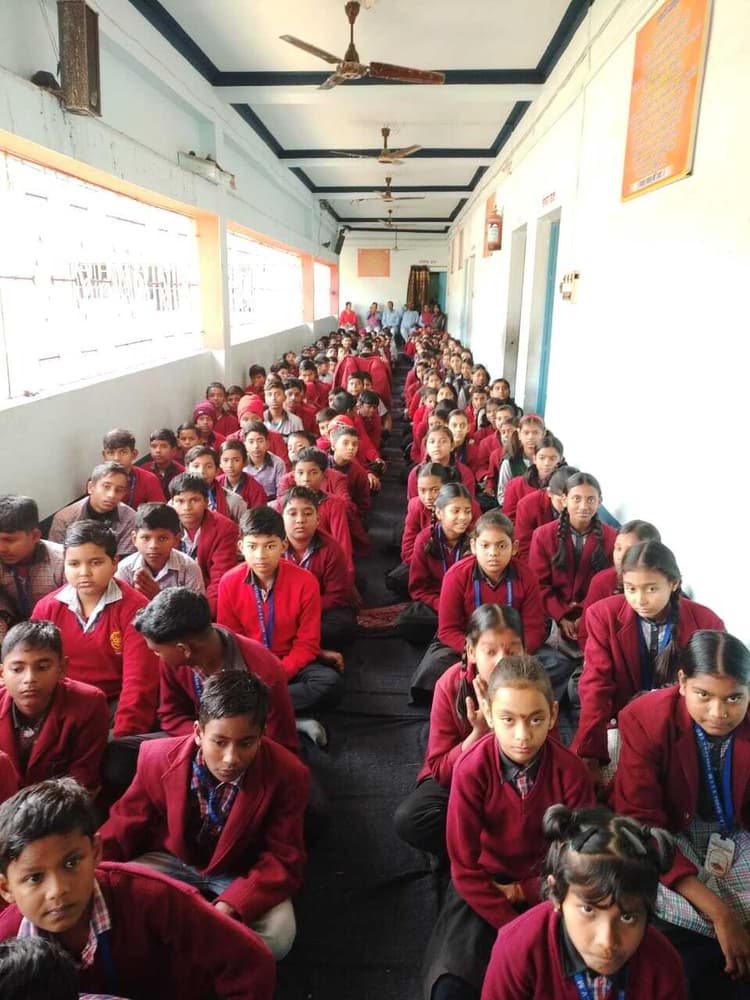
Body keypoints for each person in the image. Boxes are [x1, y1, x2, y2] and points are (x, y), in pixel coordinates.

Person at [0, 778, 276, 999]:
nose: (58, 890)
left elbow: (249, 962)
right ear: (6, 888)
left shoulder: (150, 897)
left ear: (95, 851)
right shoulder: (5, 943)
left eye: (71, 863)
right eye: (34, 878)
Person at [99, 671, 307, 960]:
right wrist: (93, 869)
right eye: (219, 742)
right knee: (112, 896)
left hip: (241, 869)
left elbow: (283, 858)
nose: (231, 758)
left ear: (262, 736)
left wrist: (232, 904)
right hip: (172, 859)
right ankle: (208, 953)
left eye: (246, 743)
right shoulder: (156, 758)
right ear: (198, 732)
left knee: (279, 936)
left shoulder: (288, 774)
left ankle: (181, 954)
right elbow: (124, 824)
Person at [423, 656, 594, 1000]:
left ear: (553, 715)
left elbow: (581, 858)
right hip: (486, 886)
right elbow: (465, 867)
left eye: (535, 719)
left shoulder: (571, 772)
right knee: (451, 987)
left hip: (552, 886)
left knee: (571, 974)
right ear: (488, 715)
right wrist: (512, 927)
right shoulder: (471, 769)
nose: (522, 735)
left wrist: (525, 891)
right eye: (508, 719)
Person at [615, 630, 750, 996]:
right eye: (703, 695)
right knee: (648, 903)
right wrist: (721, 914)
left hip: (736, 831)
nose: (719, 713)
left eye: (734, 698)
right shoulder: (645, 720)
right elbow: (642, 826)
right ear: (682, 683)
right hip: (667, 835)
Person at [481, 804, 686, 999]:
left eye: (627, 917)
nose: (607, 942)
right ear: (557, 893)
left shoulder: (663, 966)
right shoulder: (517, 950)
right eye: (588, 909)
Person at [573, 541, 725, 785]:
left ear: (673, 584)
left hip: (683, 720)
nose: (640, 599)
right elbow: (595, 685)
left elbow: (712, 687)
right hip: (622, 718)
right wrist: (590, 751)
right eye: (631, 589)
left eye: (651, 589)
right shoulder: (603, 615)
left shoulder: (706, 621)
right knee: (608, 783)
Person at [394, 605, 524, 858]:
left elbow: (549, 759)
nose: (502, 662)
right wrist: (479, 734)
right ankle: (491, 851)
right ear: (471, 652)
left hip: (518, 779)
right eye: (490, 651)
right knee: (412, 819)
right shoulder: (450, 684)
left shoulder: (533, 684)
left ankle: (483, 848)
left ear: (525, 651)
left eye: (512, 651)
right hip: (464, 779)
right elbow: (440, 771)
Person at [217, 507, 343, 737]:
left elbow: (307, 644)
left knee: (329, 683)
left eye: (270, 546)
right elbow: (231, 640)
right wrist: (253, 674)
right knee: (221, 685)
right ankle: (291, 720)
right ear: (240, 547)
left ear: (283, 545)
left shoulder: (305, 582)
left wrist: (278, 673)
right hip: (249, 667)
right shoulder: (229, 582)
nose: (260, 555)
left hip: (290, 663)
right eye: (252, 546)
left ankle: (255, 713)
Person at [31, 521, 158, 738]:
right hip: (62, 700)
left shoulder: (136, 609)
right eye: (74, 564)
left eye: (96, 562)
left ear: (114, 562)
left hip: (112, 703)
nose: (84, 573)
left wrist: (123, 737)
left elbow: (138, 682)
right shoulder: (47, 608)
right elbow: (33, 669)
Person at [134, 587, 297, 754]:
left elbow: (281, 744)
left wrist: (218, 745)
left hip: (242, 754)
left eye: (157, 651)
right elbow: (171, 715)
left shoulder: (264, 669)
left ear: (183, 649)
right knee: (127, 753)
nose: (156, 656)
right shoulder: (175, 660)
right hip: (195, 740)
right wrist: (206, 739)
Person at [411, 511, 546, 701]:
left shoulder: (526, 575)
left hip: (512, 648)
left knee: (555, 665)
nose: (493, 553)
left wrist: (515, 653)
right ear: (474, 546)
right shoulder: (456, 575)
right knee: (436, 667)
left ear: (514, 547)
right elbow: (448, 630)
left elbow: (534, 628)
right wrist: (480, 653)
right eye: (485, 545)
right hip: (467, 646)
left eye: (501, 545)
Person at [0, 621, 108, 796]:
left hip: (58, 806)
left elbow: (83, 779)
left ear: (62, 668)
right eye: (18, 669)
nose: (29, 678)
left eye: (42, 667)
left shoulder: (89, 703)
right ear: (2, 673)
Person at [529, 472, 617, 657]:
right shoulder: (543, 535)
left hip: (593, 612)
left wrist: (583, 615)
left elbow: (608, 585)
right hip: (552, 614)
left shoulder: (612, 537)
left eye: (591, 499)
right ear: (564, 500)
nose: (584, 506)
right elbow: (538, 584)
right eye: (576, 499)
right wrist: (561, 616)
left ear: (600, 501)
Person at [280, 487, 357, 649]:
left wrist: (302, 610)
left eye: (307, 514)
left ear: (318, 519)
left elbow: (335, 596)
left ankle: (291, 642)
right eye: (292, 514)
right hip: (280, 607)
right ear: (282, 518)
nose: (300, 520)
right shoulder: (273, 546)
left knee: (342, 626)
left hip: (318, 608)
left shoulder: (332, 549)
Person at [168, 473, 238, 616]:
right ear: (172, 503)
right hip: (169, 595)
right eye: (180, 501)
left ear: (206, 501)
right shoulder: (164, 525)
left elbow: (220, 578)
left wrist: (203, 614)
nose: (187, 507)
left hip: (205, 597)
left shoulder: (225, 528)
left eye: (194, 500)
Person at [578, 519, 662, 639]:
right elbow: (585, 632)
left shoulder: (664, 585)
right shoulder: (602, 581)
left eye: (631, 550)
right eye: (618, 548)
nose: (620, 556)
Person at [406, 484, 474, 628]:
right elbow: (419, 588)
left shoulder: (476, 541)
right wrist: (442, 605)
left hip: (467, 604)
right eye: (455, 511)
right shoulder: (424, 539)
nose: (463, 517)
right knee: (408, 623)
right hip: (437, 601)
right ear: (439, 512)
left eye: (467, 511)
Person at [0, 496, 64, 640]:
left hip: (55, 631)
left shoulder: (64, 562)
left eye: (9, 540)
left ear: (35, 536)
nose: (1, 548)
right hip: (13, 630)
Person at [115, 502, 205, 598]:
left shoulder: (188, 568)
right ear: (134, 539)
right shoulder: (124, 569)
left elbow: (197, 607)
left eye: (162, 538)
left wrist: (158, 596)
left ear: (176, 540)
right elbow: (118, 606)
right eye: (146, 538)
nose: (153, 546)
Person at [49, 463, 136, 557]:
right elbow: (57, 558)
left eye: (119, 490)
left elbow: (124, 560)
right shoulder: (64, 518)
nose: (111, 495)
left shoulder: (130, 518)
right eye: (106, 487)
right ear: (91, 487)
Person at [514, 465, 576, 563]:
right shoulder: (527, 505)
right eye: (561, 500)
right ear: (549, 492)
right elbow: (523, 548)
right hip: (539, 561)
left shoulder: (586, 506)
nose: (567, 506)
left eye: (575, 500)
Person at [502, 432, 564, 522]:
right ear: (534, 459)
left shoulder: (566, 485)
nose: (547, 463)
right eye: (542, 458)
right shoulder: (515, 485)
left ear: (560, 460)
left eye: (552, 458)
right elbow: (508, 519)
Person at [100, 429, 163, 508]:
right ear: (104, 455)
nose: (116, 458)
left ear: (134, 454)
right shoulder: (97, 479)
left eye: (123, 452)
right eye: (111, 453)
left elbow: (161, 512)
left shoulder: (149, 479)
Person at [185, 445, 247, 524]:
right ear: (187, 469)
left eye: (208, 466)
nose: (201, 471)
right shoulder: (177, 500)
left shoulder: (234, 502)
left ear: (217, 471)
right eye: (196, 466)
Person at [496, 414, 546, 506]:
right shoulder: (510, 462)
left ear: (543, 434)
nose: (530, 437)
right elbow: (502, 496)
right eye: (526, 433)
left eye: (535, 432)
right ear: (519, 434)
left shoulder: (551, 460)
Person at [216, 439, 268, 508]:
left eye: (236, 460)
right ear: (220, 463)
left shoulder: (256, 489)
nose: (230, 465)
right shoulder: (216, 484)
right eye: (225, 460)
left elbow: (259, 514)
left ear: (245, 462)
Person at [243, 421, 287, 500]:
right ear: (245, 444)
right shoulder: (241, 463)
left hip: (271, 502)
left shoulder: (278, 464)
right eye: (251, 442)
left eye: (260, 441)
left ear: (267, 444)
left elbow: (281, 495)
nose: (256, 446)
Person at [141, 428, 184, 500]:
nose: (158, 451)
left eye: (164, 446)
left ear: (174, 451)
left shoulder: (181, 473)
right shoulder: (144, 469)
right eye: (154, 446)